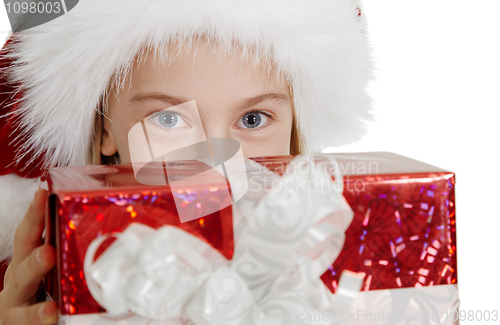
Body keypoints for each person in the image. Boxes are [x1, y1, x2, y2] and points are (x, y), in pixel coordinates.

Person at [0, 0, 373, 323]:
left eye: (253, 119)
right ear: (104, 133)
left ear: (295, 129)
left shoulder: (334, 268)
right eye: (168, 119)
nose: (214, 159)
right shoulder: (56, 278)